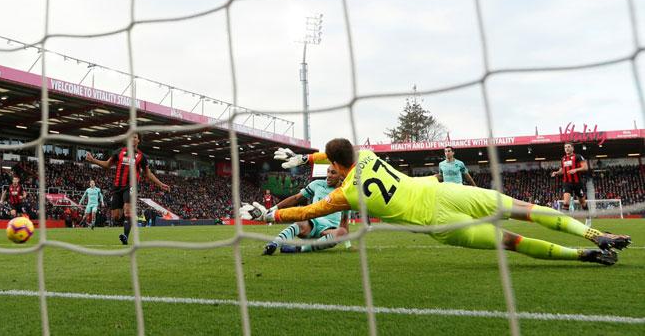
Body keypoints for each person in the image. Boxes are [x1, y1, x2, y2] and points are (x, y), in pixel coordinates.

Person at [243, 138, 631, 266]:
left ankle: (581, 255)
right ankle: (594, 234)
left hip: (439, 223)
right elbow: (338, 149)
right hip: (444, 191)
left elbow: (308, 210)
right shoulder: (363, 153)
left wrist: (272, 212)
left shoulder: (347, 193)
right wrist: (309, 157)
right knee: (524, 208)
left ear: (335, 167)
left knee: (510, 240)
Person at [244, 164, 350, 255]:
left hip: (328, 231)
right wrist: (273, 209)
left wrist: (348, 245)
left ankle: (299, 249)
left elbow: (344, 223)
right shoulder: (317, 184)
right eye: (328, 172)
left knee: (342, 232)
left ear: (341, 175)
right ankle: (273, 244)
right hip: (312, 224)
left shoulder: (345, 193)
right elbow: (296, 198)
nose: (328, 175)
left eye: (333, 173)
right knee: (300, 222)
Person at [86, 133, 170, 245]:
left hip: (130, 186)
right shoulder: (119, 152)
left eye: (135, 137)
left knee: (127, 209)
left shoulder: (141, 156)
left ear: (138, 140)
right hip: (117, 187)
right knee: (115, 216)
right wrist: (93, 160)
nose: (132, 139)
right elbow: (107, 164)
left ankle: (125, 236)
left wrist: (160, 184)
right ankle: (129, 221)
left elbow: (148, 173)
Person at [551, 142, 591, 226]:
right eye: (565, 147)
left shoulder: (578, 156)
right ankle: (564, 223)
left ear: (573, 148)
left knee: (582, 202)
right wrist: (556, 172)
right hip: (567, 183)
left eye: (569, 147)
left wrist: (575, 170)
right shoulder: (563, 159)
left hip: (577, 183)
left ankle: (588, 218)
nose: (567, 148)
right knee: (566, 203)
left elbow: (585, 167)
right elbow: (562, 170)